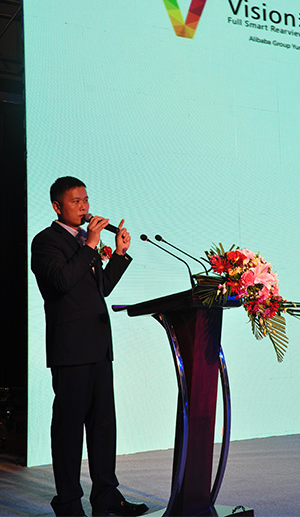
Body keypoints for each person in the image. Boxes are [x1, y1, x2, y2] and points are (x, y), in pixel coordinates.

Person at [31, 177, 149, 517]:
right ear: (57, 206)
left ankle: (106, 496)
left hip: (98, 346)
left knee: (103, 426)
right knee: (68, 430)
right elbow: (61, 282)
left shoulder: (85, 242)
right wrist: (91, 245)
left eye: (86, 200)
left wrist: (119, 255)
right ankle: (68, 503)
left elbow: (101, 288)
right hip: (70, 350)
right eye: (76, 201)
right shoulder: (46, 241)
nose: (84, 207)